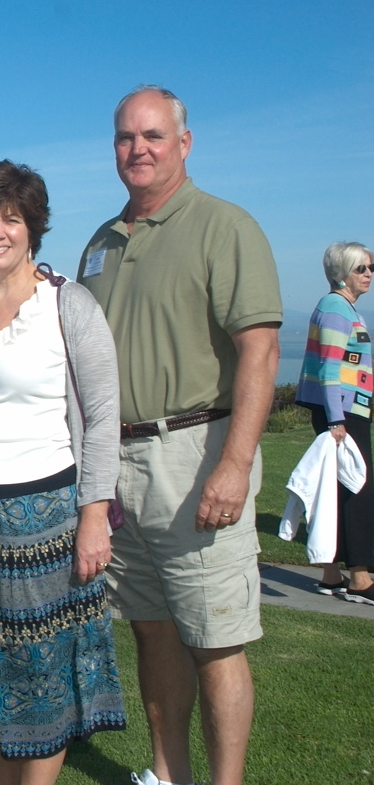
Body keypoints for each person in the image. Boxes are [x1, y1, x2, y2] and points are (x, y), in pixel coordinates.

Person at [77, 86, 281, 785]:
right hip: (115, 463)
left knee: (214, 639)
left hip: (194, 455)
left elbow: (258, 352)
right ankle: (169, 775)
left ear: (183, 144)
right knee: (151, 628)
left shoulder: (223, 226)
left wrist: (233, 465)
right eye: (125, 138)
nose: (137, 149)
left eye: (153, 136)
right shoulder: (100, 242)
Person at [0, 160, 126, 785]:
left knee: (38, 672)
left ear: (32, 227)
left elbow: (102, 414)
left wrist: (94, 513)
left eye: (12, 217)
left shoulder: (68, 304)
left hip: (42, 518)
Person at [294, 241, 374, 603]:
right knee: (358, 490)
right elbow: (328, 369)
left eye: (371, 268)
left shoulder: (342, 308)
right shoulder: (336, 309)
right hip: (341, 412)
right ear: (341, 273)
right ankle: (360, 578)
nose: (369, 275)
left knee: (338, 489)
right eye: (361, 269)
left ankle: (330, 573)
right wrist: (337, 420)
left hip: (345, 411)